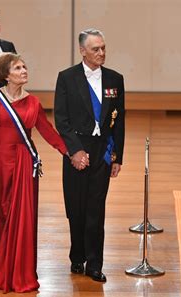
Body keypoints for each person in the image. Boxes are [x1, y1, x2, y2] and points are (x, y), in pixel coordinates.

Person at [0, 52, 67, 293]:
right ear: (6, 75)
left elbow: (47, 130)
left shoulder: (33, 102)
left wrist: (69, 152)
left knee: (20, 218)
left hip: (24, 165)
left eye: (24, 66)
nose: (24, 71)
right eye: (18, 68)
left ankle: (16, 272)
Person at [54, 29, 125, 283]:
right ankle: (77, 256)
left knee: (96, 208)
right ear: (82, 50)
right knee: (76, 207)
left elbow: (119, 122)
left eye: (104, 48)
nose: (101, 53)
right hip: (76, 149)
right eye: (96, 49)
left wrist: (116, 156)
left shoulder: (115, 79)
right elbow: (61, 120)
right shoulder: (66, 78)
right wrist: (74, 150)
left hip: (102, 151)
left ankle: (95, 263)